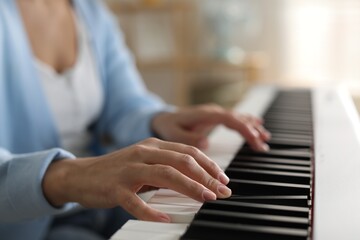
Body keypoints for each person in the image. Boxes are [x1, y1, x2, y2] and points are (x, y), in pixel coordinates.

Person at [0, 0, 271, 239]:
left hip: (107, 205)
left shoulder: (90, 10)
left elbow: (125, 103)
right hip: (30, 227)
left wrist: (162, 119)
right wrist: (70, 177)